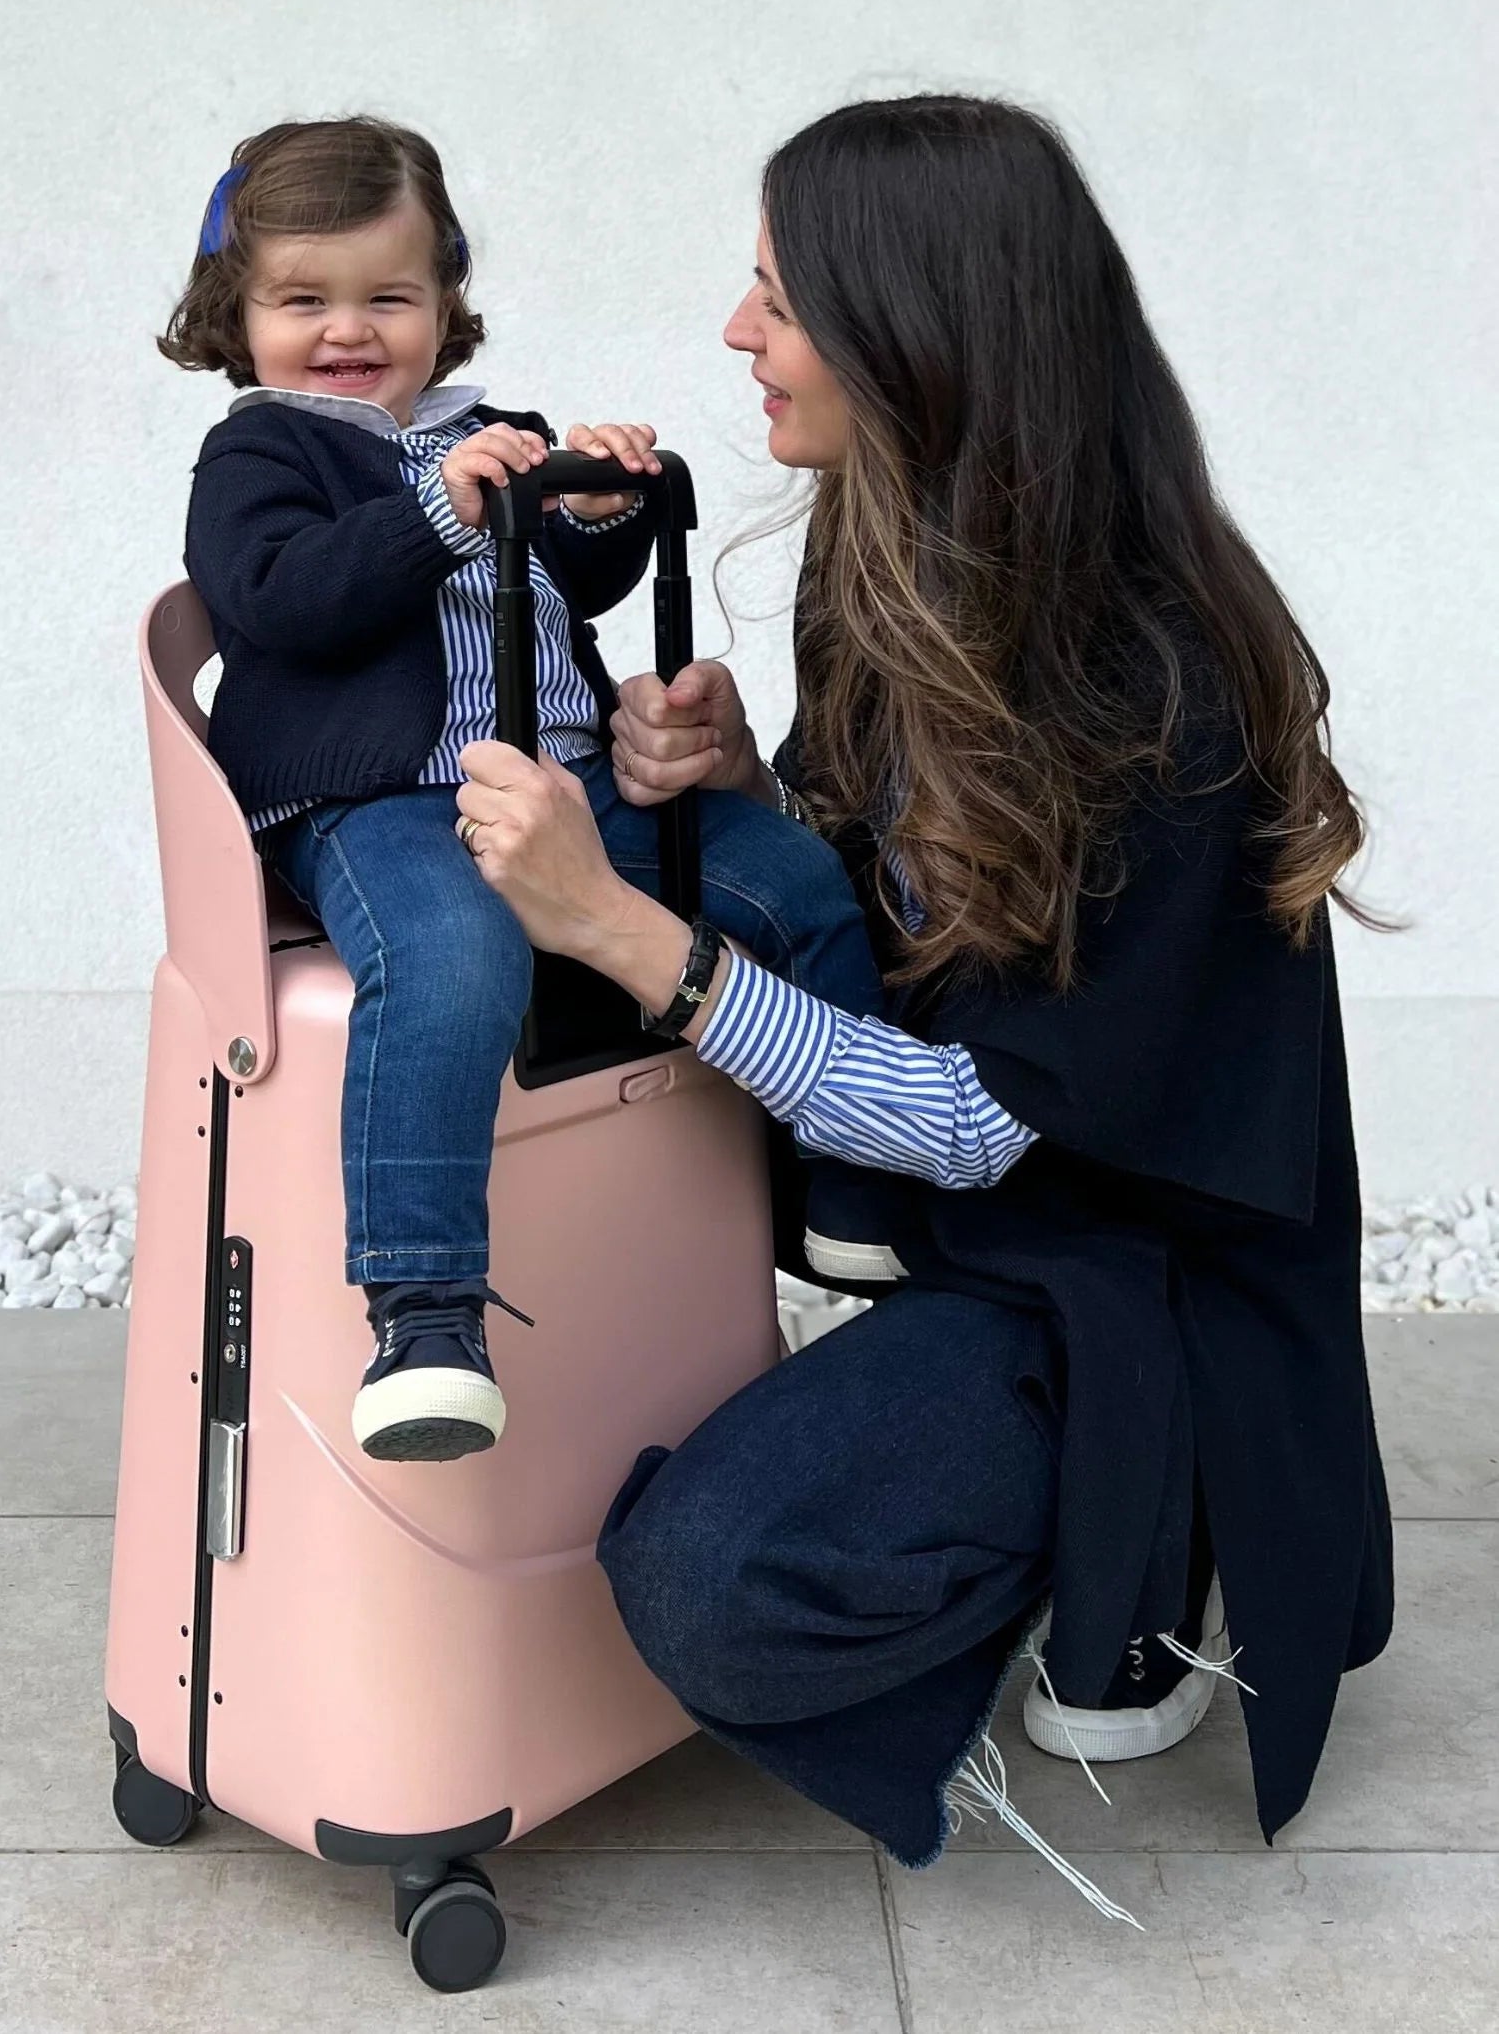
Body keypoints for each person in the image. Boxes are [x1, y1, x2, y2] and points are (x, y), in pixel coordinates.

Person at [449, 93, 1393, 1909]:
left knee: (710, 1590)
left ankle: (1154, 1530)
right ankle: (1010, 1485)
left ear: (921, 330)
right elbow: (906, 908)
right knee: (658, 1534)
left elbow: (971, 1115)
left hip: (1143, 1291)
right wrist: (745, 787)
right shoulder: (896, 564)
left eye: (779, 297)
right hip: (1003, 1244)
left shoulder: (1157, 687)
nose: (739, 335)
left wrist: (638, 939)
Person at [161, 115, 885, 1464]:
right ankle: (425, 1311)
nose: (347, 331)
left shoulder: (490, 429)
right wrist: (441, 509)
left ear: (445, 299)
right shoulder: (264, 456)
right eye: (302, 300)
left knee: (788, 879)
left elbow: (551, 583)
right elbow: (282, 602)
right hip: (380, 800)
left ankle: (846, 1186)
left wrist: (589, 515)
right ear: (236, 312)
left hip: (562, 784)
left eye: (389, 295)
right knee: (451, 957)